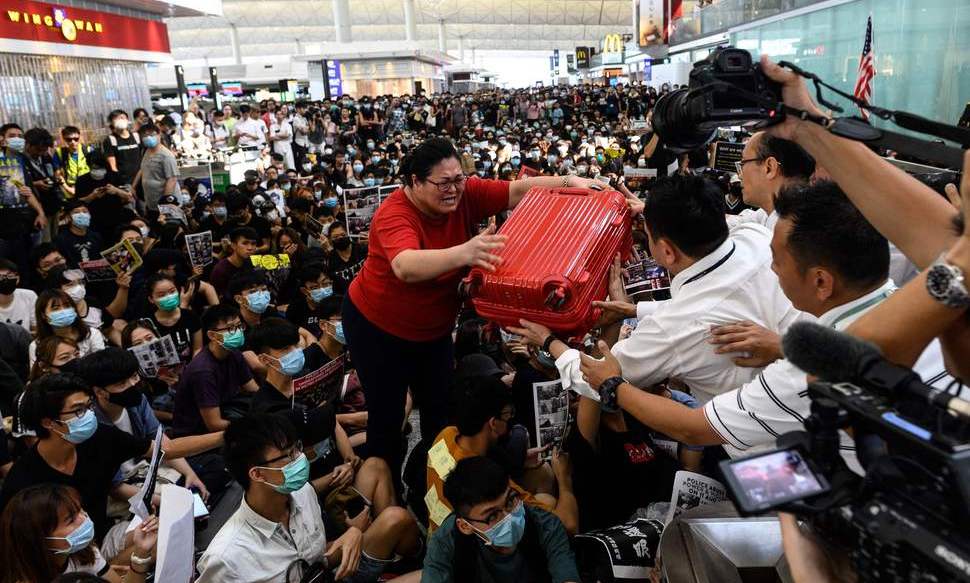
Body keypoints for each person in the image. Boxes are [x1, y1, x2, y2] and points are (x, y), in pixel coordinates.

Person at [576, 181, 954, 461]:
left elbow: (694, 428)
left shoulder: (803, 375)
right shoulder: (927, 312)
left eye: (777, 262)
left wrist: (612, 385)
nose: (766, 268)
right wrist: (781, 347)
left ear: (821, 280)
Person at [344, 137, 609, 484]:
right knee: (388, 416)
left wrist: (567, 182)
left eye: (459, 180)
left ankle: (439, 490)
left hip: (433, 330)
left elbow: (517, 191)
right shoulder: (394, 214)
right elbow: (405, 266)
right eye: (443, 183)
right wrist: (465, 252)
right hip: (378, 329)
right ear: (414, 182)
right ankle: (387, 492)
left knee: (442, 414)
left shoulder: (465, 193)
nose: (454, 190)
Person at [512, 174, 801, 405]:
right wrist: (636, 309)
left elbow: (597, 376)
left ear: (666, 251)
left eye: (648, 235)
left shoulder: (674, 327)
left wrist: (548, 340)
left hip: (758, 452)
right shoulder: (758, 237)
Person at [197, 413, 420, 583]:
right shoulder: (226, 558)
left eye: (298, 449)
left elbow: (313, 558)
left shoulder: (302, 493)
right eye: (288, 455)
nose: (300, 459)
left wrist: (354, 534)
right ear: (257, 473)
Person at [0, 373, 214, 539]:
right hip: (63, 558)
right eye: (78, 410)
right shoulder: (23, 484)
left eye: (89, 406)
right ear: (49, 422)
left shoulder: (98, 437)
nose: (89, 415)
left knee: (167, 532)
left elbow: (166, 449)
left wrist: (228, 436)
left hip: (104, 537)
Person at [425, 375, 578, 535]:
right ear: (493, 423)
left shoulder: (446, 435)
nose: (509, 422)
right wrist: (564, 479)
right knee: (549, 501)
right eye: (507, 415)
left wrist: (518, 461)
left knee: (540, 475)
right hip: (476, 550)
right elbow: (569, 524)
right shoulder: (486, 480)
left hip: (438, 535)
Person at [78, 348, 214, 508]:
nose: (132, 385)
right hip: (124, 486)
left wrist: (190, 474)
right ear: (99, 391)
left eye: (134, 376)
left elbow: (163, 445)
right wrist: (165, 503)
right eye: (121, 383)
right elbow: (114, 488)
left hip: (147, 469)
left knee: (210, 467)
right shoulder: (92, 426)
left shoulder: (137, 401)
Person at [422, 456, 580, 583]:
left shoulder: (545, 525)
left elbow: (566, 574)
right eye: (492, 515)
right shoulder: (446, 542)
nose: (509, 517)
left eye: (510, 501)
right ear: (465, 526)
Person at [0, 484, 159, 583]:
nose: (83, 519)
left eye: (80, 510)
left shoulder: (84, 553)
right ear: (39, 539)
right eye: (70, 519)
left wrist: (141, 551)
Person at [729, 132, 815, 231]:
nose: (740, 175)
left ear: (769, 167)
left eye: (743, 162)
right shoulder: (773, 211)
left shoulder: (794, 232)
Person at [29, 289, 106, 368]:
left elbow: (103, 366)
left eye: (67, 306)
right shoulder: (36, 346)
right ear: (43, 315)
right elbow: (38, 376)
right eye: (56, 308)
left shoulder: (91, 334)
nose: (63, 311)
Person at [145, 272, 203, 363]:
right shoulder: (148, 324)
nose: (169, 297)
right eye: (161, 295)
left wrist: (192, 370)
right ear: (151, 299)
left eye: (172, 291)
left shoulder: (191, 316)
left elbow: (198, 348)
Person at [132, 123, 177, 219]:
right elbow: (142, 168)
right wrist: (133, 187)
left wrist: (165, 207)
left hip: (164, 205)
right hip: (151, 203)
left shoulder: (166, 156)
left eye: (151, 134)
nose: (148, 137)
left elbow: (172, 180)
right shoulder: (146, 151)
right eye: (144, 135)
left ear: (159, 134)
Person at [210, 226, 258, 298]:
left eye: (253, 244)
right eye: (245, 243)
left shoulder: (251, 262)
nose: (250, 248)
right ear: (233, 245)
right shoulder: (220, 270)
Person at [55, 200, 104, 267]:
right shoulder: (61, 239)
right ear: (69, 217)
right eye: (76, 212)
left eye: (85, 211)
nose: (82, 214)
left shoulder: (96, 236)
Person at [100, 110, 141, 187]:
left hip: (140, 179)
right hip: (124, 183)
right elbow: (113, 166)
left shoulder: (136, 136)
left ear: (128, 120)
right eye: (118, 118)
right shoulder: (110, 140)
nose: (121, 120)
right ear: (111, 122)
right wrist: (120, 183)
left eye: (123, 117)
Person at [55, 126, 94, 200]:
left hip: (89, 190)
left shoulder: (89, 150)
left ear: (79, 137)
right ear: (64, 139)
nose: (73, 142)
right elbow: (58, 175)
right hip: (70, 192)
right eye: (69, 139)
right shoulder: (59, 153)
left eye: (76, 139)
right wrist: (67, 188)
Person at [0, 257, 37, 332]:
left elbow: (36, 329)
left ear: (17, 279)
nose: (5, 280)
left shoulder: (29, 296)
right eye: (0, 277)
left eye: (9, 276)